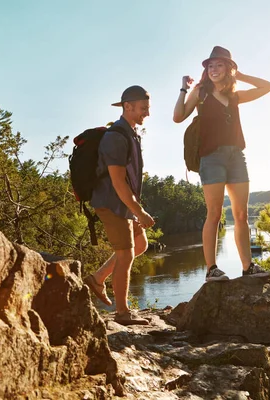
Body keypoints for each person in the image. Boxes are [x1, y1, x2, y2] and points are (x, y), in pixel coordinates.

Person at [173, 46, 270, 282]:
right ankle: (211, 269)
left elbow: (268, 87)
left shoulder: (235, 96)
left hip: (236, 156)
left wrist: (241, 76)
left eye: (219, 65)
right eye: (210, 66)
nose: (214, 69)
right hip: (211, 158)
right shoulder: (200, 93)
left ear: (229, 68)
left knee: (240, 214)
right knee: (215, 214)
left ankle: (248, 267)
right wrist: (183, 89)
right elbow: (178, 117)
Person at [83, 85, 155, 325]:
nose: (147, 113)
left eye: (148, 108)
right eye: (143, 108)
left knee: (140, 244)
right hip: (111, 203)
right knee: (125, 255)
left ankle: (97, 278)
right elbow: (116, 181)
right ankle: (123, 314)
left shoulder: (131, 133)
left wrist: (135, 207)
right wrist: (139, 211)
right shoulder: (115, 136)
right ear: (128, 106)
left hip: (122, 202)